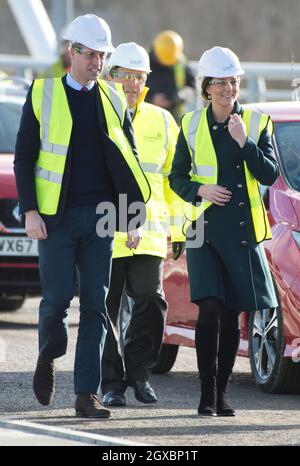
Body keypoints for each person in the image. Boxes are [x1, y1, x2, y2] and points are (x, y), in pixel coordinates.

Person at [14, 14, 150, 418]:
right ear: (72, 52)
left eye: (102, 55)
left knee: (96, 305)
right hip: (55, 218)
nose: (98, 63)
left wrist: (131, 214)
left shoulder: (111, 97)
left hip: (103, 218)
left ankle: (85, 394)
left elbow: (129, 158)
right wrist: (31, 211)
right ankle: (48, 355)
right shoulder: (42, 93)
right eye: (91, 54)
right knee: (56, 301)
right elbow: (25, 157)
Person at [169, 46, 279, 417]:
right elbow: (176, 177)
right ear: (206, 87)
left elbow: (269, 174)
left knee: (232, 314)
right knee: (210, 309)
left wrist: (243, 142)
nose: (228, 88)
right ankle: (205, 393)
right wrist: (202, 190)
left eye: (233, 81)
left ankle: (222, 394)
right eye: (220, 82)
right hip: (202, 229)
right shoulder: (190, 123)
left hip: (241, 231)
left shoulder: (257, 122)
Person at [101, 42, 185, 407]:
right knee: (104, 307)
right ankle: (111, 383)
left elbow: (176, 179)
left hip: (149, 232)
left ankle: (139, 372)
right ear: (110, 76)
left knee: (152, 301)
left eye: (138, 77)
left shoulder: (162, 121)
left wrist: (181, 228)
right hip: (104, 230)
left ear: (145, 80)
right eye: (124, 76)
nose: (131, 84)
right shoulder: (96, 115)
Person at [145, 30, 196, 123]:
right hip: (148, 117)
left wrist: (181, 95)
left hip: (175, 119)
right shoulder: (144, 62)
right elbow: (134, 87)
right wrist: (151, 98)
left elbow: (192, 88)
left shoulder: (181, 64)